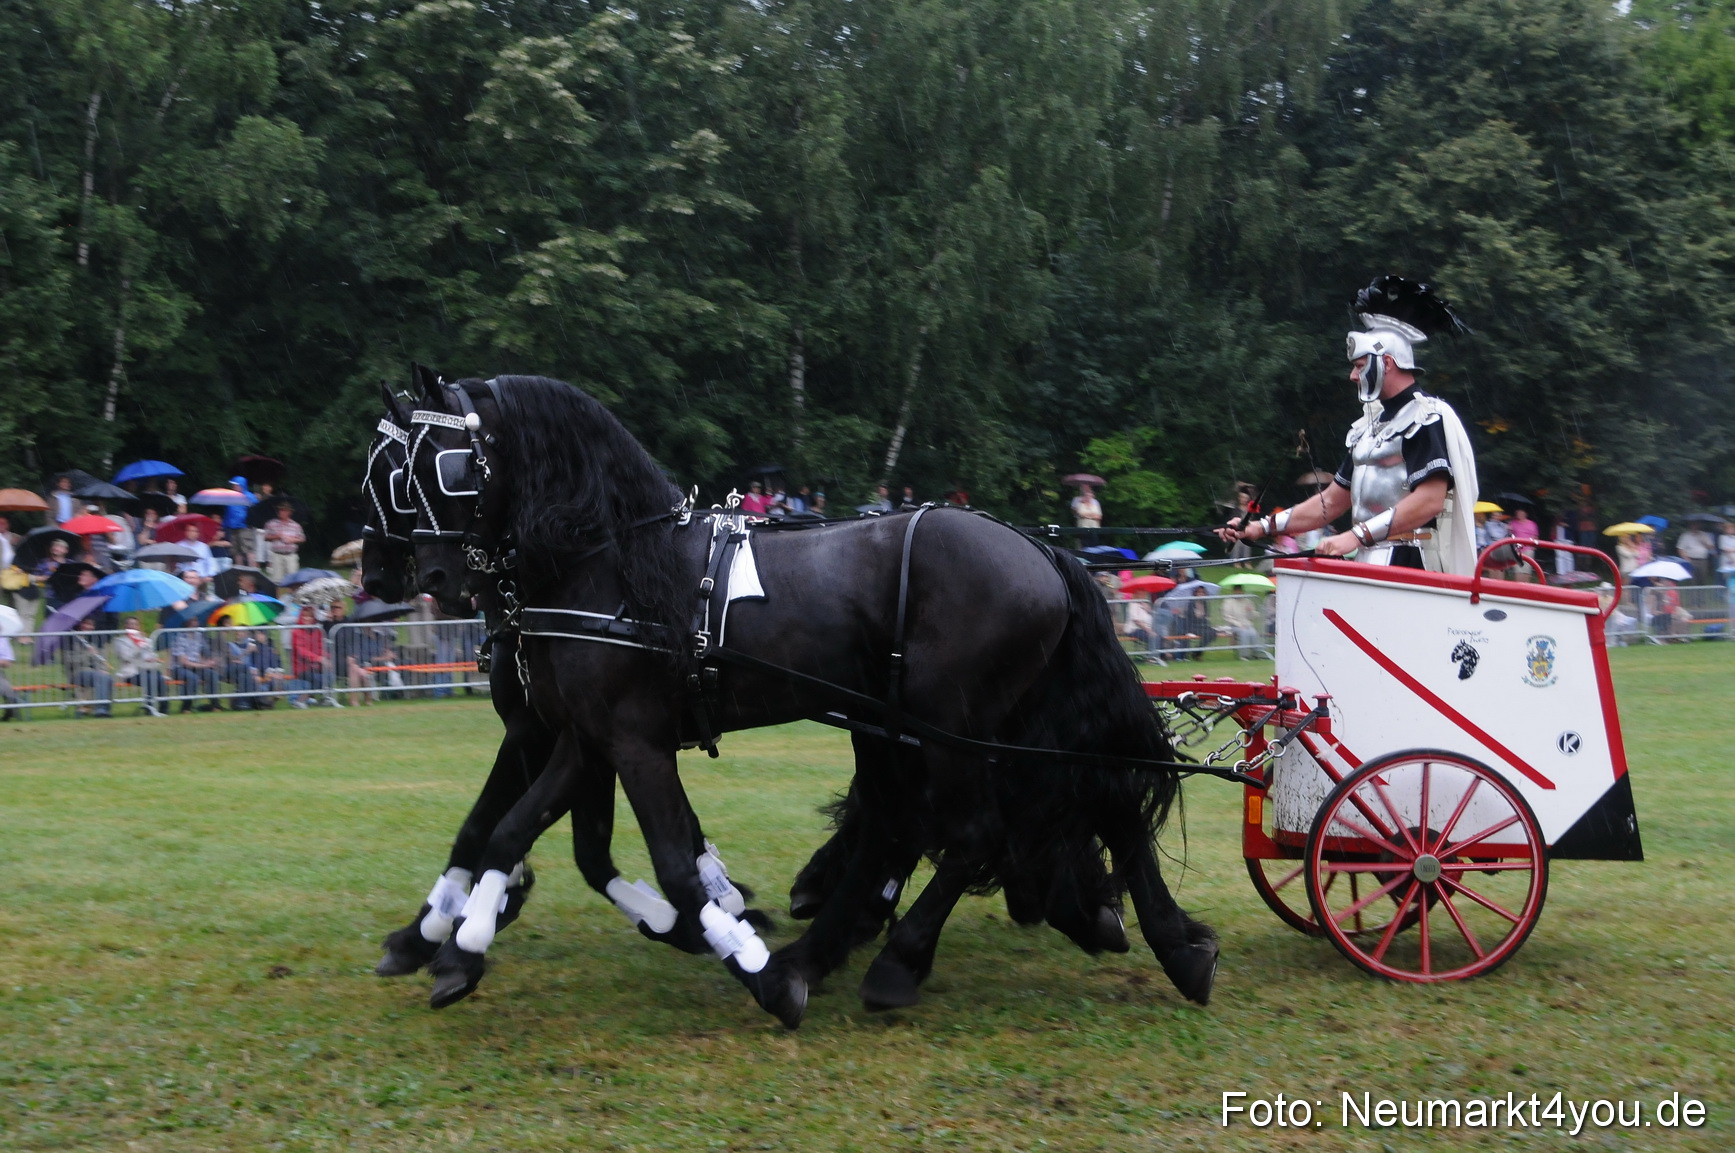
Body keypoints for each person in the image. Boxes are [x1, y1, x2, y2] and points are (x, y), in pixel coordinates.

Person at [1220, 276, 1478, 574]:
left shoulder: (1426, 417)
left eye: (1358, 366)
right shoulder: (1366, 428)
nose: (1353, 377)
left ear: (1387, 363)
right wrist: (1259, 527)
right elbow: (1331, 501)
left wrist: (1355, 536)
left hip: (1411, 562)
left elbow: (1430, 500)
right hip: (1370, 559)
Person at [113, 616, 166, 716]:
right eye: (130, 624)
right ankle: (150, 707)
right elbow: (125, 657)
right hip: (131, 672)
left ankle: (164, 708)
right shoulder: (120, 641)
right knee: (150, 679)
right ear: (126, 626)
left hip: (147, 668)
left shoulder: (146, 640)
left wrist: (151, 656)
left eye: (135, 624)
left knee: (160, 678)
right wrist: (138, 647)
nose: (133, 626)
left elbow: (151, 655)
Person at [63, 617, 114, 717]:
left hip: (94, 671)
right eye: (85, 624)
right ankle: (100, 708)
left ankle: (105, 708)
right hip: (77, 672)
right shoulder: (72, 639)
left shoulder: (96, 640)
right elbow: (69, 660)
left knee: (108, 678)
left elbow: (101, 659)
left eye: (90, 625)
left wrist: (103, 669)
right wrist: (88, 654)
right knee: (99, 677)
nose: (88, 627)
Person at [170, 627, 221, 711]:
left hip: (195, 667)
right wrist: (204, 665)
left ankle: (215, 705)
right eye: (192, 621)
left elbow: (197, 656)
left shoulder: (198, 636)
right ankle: (186, 707)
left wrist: (208, 663)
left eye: (195, 620)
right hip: (179, 668)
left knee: (212, 674)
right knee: (192, 678)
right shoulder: (179, 638)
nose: (194, 623)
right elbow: (184, 662)